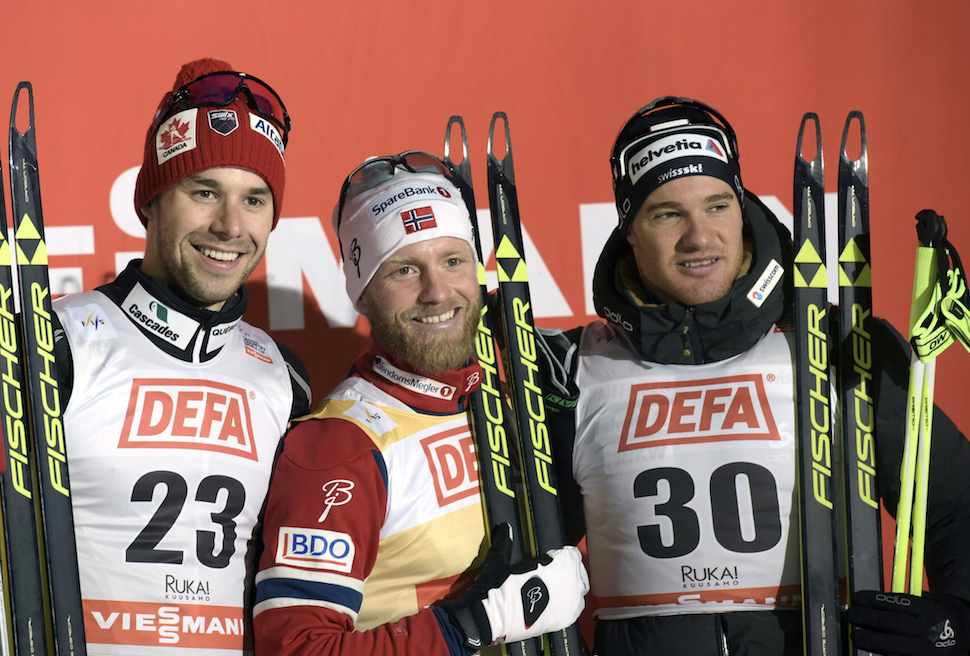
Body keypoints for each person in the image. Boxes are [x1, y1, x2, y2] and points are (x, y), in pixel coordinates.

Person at [0, 57, 311, 656]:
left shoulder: (283, 376)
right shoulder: (46, 343)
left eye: (255, 199)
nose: (230, 225)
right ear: (150, 202)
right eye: (204, 192)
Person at [537, 96, 970, 656]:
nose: (699, 236)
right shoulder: (576, 369)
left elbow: (955, 502)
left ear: (742, 210)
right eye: (667, 213)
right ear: (629, 230)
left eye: (717, 205)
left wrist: (961, 615)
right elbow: (528, 541)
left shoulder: (835, 345)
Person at [251, 151, 589, 655]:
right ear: (362, 294)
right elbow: (298, 647)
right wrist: (472, 623)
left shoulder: (519, 394)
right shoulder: (341, 447)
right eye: (404, 270)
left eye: (453, 262)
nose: (437, 292)